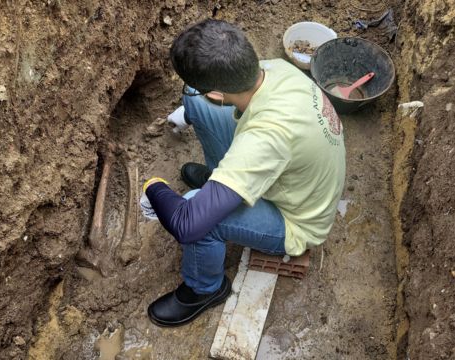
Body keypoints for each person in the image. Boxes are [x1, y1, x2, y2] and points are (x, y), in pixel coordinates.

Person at [142, 19, 345, 327]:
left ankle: (205, 289)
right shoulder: (275, 68)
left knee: (199, 211)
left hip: (296, 220)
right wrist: (190, 110)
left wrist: (153, 186)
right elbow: (209, 97)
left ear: (218, 91)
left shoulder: (266, 139)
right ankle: (221, 181)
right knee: (194, 98)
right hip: (292, 173)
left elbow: (187, 225)